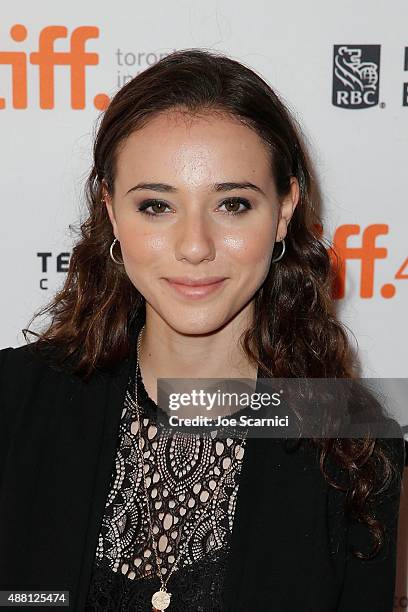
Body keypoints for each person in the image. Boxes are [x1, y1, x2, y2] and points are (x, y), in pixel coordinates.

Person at [0, 48, 405, 612]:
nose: (195, 246)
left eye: (233, 203)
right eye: (156, 206)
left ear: (285, 209)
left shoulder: (354, 451)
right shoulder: (14, 403)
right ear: (112, 211)